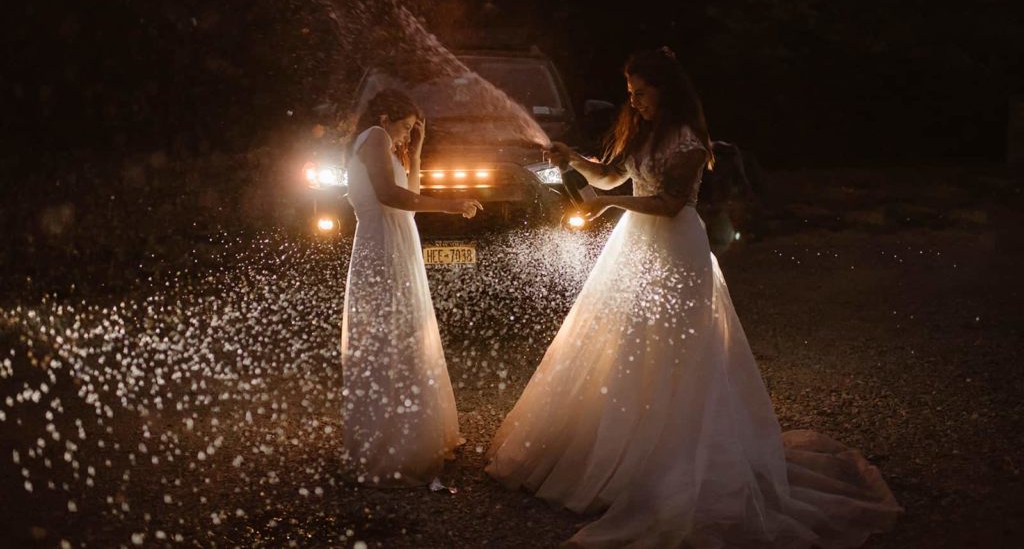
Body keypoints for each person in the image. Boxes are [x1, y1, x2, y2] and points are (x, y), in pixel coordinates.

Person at [486, 48, 900, 546]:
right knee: (625, 344)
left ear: (667, 89)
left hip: (675, 247)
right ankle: (622, 448)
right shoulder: (641, 129)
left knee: (675, 350)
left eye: (641, 92)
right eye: (630, 92)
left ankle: (667, 456)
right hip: (635, 247)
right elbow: (613, 176)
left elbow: (666, 203)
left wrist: (607, 202)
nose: (633, 101)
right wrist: (574, 161)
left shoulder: (685, 139)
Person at [341, 88, 482, 486]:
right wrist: (452, 205)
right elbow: (388, 195)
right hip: (383, 242)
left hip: (398, 239)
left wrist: (417, 152)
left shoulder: (387, 145)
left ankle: (409, 433)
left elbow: (411, 193)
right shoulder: (374, 136)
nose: (404, 136)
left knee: (405, 332)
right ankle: (390, 443)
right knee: (391, 334)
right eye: (405, 127)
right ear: (385, 117)